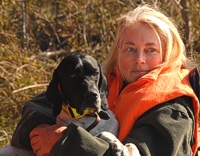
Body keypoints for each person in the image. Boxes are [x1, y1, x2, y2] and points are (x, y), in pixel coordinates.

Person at [0, 4, 199, 156]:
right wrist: (40, 129)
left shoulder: (173, 111)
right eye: (130, 48)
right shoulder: (110, 82)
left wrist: (64, 140)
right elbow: (41, 103)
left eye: (151, 49)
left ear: (168, 54)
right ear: (118, 52)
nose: (140, 59)